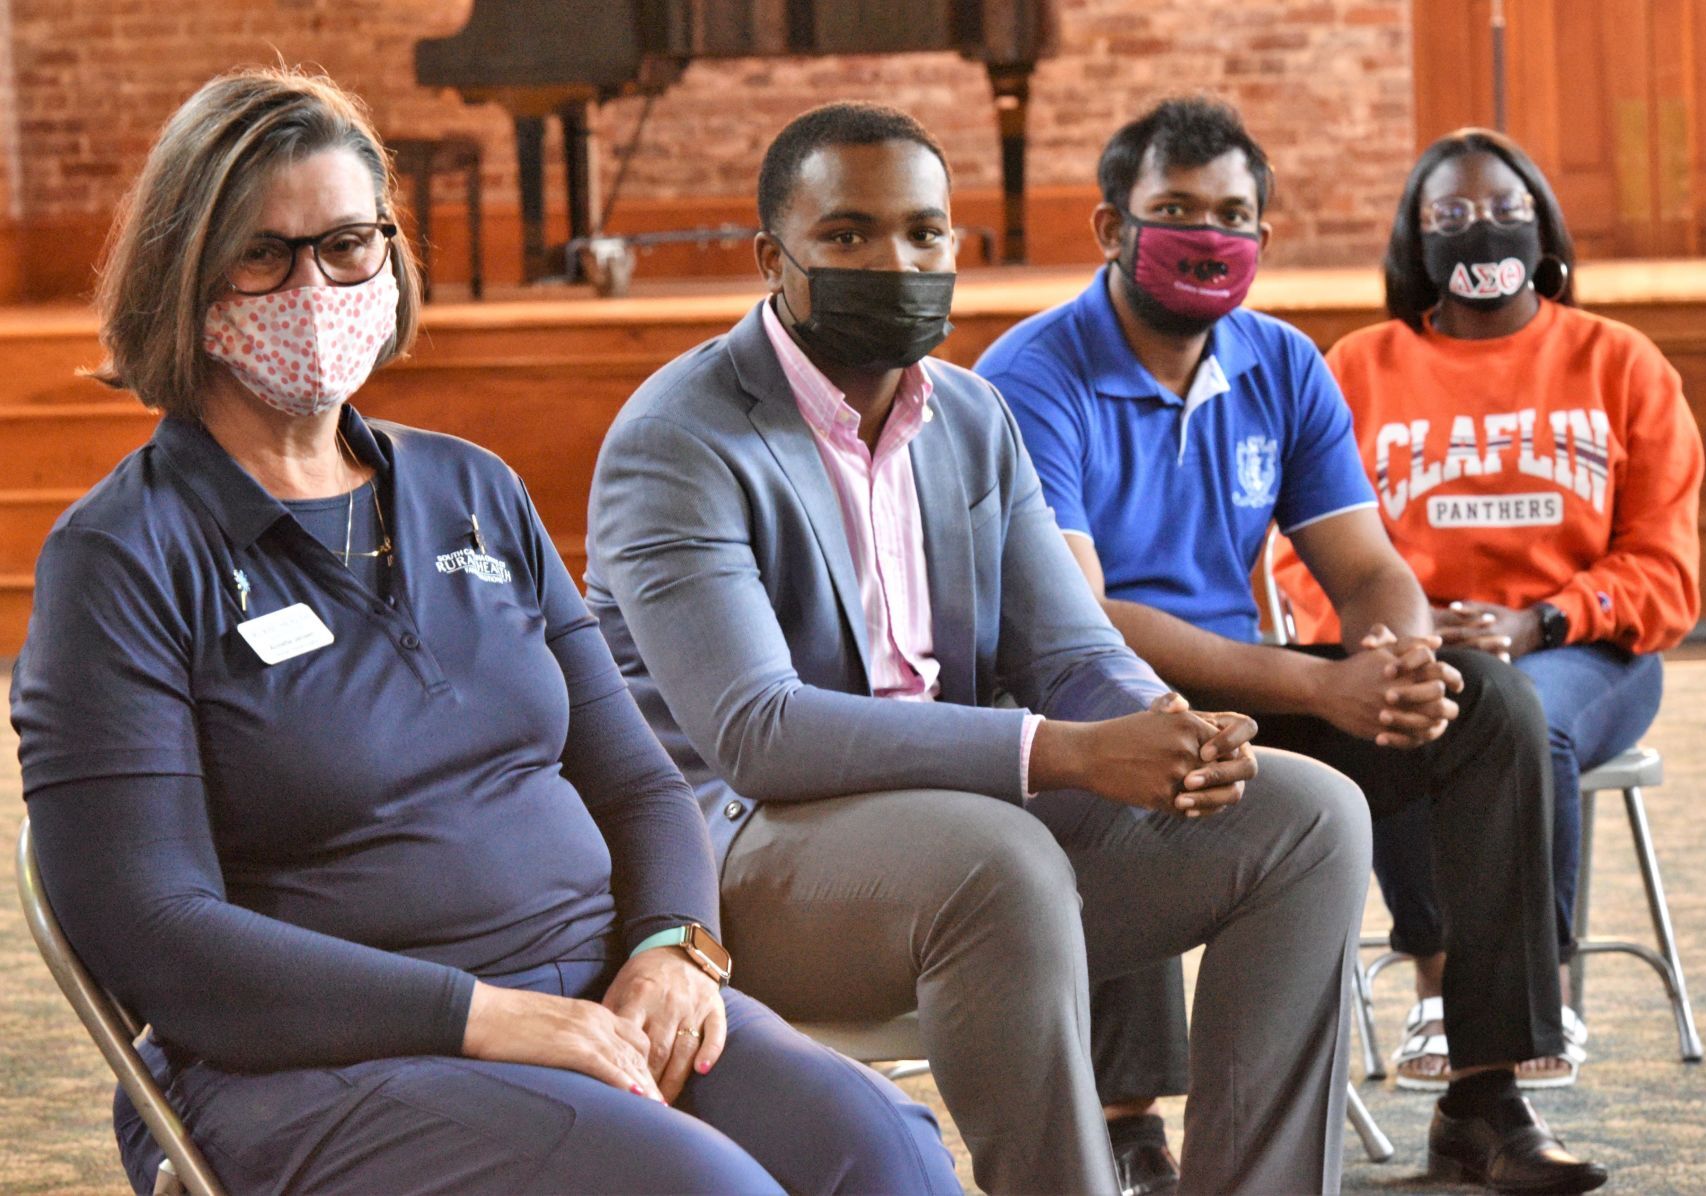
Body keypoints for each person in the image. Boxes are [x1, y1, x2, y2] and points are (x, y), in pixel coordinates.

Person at [8, 68, 957, 1196]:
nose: (314, 285)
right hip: (311, 1057)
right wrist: (484, 1017)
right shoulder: (122, 556)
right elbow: (154, 933)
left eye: (349, 243)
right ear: (188, 279)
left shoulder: (473, 488)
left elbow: (641, 783)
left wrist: (671, 946)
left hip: (589, 988)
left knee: (890, 1151)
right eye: (264, 254)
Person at [585, 100, 1373, 1196]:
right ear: (775, 257)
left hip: (964, 825)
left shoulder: (969, 416)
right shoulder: (679, 436)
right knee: (993, 858)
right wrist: (1067, 752)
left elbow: (1072, 649)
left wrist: (1165, 726)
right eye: (848, 236)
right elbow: (758, 734)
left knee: (1309, 818)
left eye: (923, 233)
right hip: (743, 853)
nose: (895, 260)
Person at [976, 95, 1608, 1193]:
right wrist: (1321, 685)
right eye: (1173, 208)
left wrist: (1401, 664)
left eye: (1232, 214)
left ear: (1262, 239)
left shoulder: (1279, 362)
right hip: (1094, 689)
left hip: (1246, 676)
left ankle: (1482, 1096)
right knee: (1135, 726)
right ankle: (1128, 1122)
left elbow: (1364, 568)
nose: (1207, 237)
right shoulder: (1033, 374)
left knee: (1488, 708)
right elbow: (1080, 619)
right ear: (1110, 228)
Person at [1271, 127, 1704, 1091]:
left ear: (1543, 230)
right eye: (1451, 216)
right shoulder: (1359, 369)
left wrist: (1539, 622)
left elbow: (1668, 571)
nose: (1482, 231)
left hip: (1584, 652)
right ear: (1414, 243)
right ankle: (1438, 992)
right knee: (1405, 705)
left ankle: (1530, 1004)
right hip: (1415, 639)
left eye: (1507, 212)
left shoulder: (1621, 363)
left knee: (1523, 717)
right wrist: (1398, 636)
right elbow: (1299, 558)